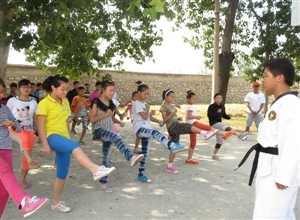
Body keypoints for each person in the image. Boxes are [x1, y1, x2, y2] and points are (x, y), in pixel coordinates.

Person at [36, 75, 115, 212]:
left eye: (66, 89)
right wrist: (44, 143)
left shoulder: (65, 102)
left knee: (62, 173)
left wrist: (69, 136)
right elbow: (40, 124)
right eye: (62, 89)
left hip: (63, 138)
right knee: (75, 146)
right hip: (52, 136)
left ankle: (55, 203)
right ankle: (95, 170)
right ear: (53, 87)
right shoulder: (44, 103)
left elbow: (66, 121)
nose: (65, 92)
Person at [238, 58, 300, 219]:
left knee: (269, 215)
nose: (263, 79)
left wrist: (284, 175)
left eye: (266, 75)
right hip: (270, 165)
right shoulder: (280, 103)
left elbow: (294, 142)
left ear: (280, 77)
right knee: (279, 214)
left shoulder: (290, 105)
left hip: (278, 168)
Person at [0, 78, 49, 218]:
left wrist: (13, 124)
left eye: (2, 92)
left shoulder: (4, 108)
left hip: (6, 147)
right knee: (6, 170)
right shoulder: (12, 102)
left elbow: (19, 127)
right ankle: (24, 201)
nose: (0, 95)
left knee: (4, 191)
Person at [89, 80, 144, 192]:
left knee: (106, 158)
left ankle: (103, 183)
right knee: (116, 136)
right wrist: (106, 114)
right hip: (98, 130)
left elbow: (112, 117)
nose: (112, 93)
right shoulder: (96, 101)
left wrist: (119, 121)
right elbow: (92, 119)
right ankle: (130, 156)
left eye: (113, 91)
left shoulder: (111, 103)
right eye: (110, 90)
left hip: (108, 131)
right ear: (103, 90)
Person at [133, 85, 188, 182]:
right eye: (145, 94)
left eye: (147, 94)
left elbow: (147, 117)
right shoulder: (136, 103)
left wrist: (155, 118)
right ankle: (171, 145)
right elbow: (144, 117)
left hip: (146, 128)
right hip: (140, 129)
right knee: (156, 132)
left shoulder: (145, 104)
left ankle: (141, 175)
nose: (146, 96)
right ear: (138, 93)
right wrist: (148, 110)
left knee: (145, 154)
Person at [160, 89, 217, 173]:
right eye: (171, 97)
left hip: (175, 125)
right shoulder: (163, 107)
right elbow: (165, 119)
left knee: (174, 147)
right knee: (189, 126)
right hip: (172, 127)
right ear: (166, 97)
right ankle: (205, 133)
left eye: (174, 97)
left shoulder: (171, 105)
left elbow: (172, 116)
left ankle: (169, 166)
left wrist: (177, 118)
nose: (173, 99)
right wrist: (172, 113)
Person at [6, 79, 40, 189]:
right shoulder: (12, 101)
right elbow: (6, 115)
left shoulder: (33, 102)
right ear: (19, 88)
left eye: (28, 87)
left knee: (26, 155)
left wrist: (39, 134)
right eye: (24, 87)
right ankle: (31, 161)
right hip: (14, 128)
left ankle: (22, 180)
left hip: (29, 130)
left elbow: (35, 118)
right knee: (24, 139)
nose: (26, 89)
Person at [185, 90, 225, 165]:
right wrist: (197, 117)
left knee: (193, 143)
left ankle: (189, 159)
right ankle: (224, 134)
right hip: (193, 124)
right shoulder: (190, 106)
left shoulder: (188, 106)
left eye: (195, 99)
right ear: (188, 99)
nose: (194, 100)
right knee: (209, 128)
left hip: (190, 126)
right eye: (193, 99)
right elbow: (190, 116)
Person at [207, 93, 248, 160]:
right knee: (226, 126)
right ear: (214, 99)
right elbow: (209, 115)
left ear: (222, 99)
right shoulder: (211, 106)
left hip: (219, 123)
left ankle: (214, 155)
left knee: (219, 141)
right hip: (214, 123)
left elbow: (223, 115)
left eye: (220, 98)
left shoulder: (222, 106)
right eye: (217, 98)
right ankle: (239, 135)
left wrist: (228, 116)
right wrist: (217, 112)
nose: (219, 99)